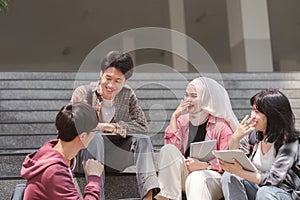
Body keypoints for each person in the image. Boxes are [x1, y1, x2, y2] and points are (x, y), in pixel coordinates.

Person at [71, 51, 160, 200]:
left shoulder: (128, 95)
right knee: (95, 138)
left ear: (125, 81)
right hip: (84, 157)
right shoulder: (83, 93)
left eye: (118, 81)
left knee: (143, 140)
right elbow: (73, 124)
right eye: (108, 78)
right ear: (101, 74)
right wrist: (103, 126)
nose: (111, 85)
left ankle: (148, 197)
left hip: (113, 157)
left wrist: (118, 127)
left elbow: (142, 126)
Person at [156, 77, 239, 200]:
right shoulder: (182, 121)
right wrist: (174, 117)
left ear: (205, 99)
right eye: (186, 95)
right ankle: (168, 197)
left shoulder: (221, 125)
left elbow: (229, 160)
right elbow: (172, 156)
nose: (188, 100)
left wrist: (204, 165)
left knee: (197, 177)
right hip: (186, 175)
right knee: (168, 149)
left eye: (194, 96)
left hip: (212, 177)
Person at [220, 89, 300, 200]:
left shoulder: (290, 142)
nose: (252, 116)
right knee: (229, 176)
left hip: (283, 193)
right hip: (258, 189)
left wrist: (239, 171)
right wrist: (235, 139)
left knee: (265, 192)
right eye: (252, 110)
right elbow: (233, 164)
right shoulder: (253, 136)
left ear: (272, 115)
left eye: (257, 112)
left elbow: (274, 179)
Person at [21, 102, 104, 200]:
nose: (95, 135)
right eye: (95, 131)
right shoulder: (55, 172)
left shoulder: (50, 151)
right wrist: (94, 178)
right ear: (82, 136)